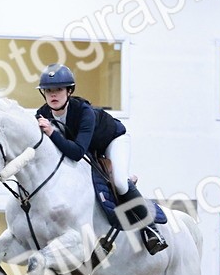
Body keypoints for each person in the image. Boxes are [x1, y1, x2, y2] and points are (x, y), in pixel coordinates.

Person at [34, 63, 167, 254]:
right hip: (87, 148)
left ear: (69, 91)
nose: (53, 95)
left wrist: (52, 132)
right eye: (48, 91)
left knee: (120, 183)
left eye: (58, 89)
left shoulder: (83, 111)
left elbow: (77, 152)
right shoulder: (42, 114)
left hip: (112, 140)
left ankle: (151, 229)